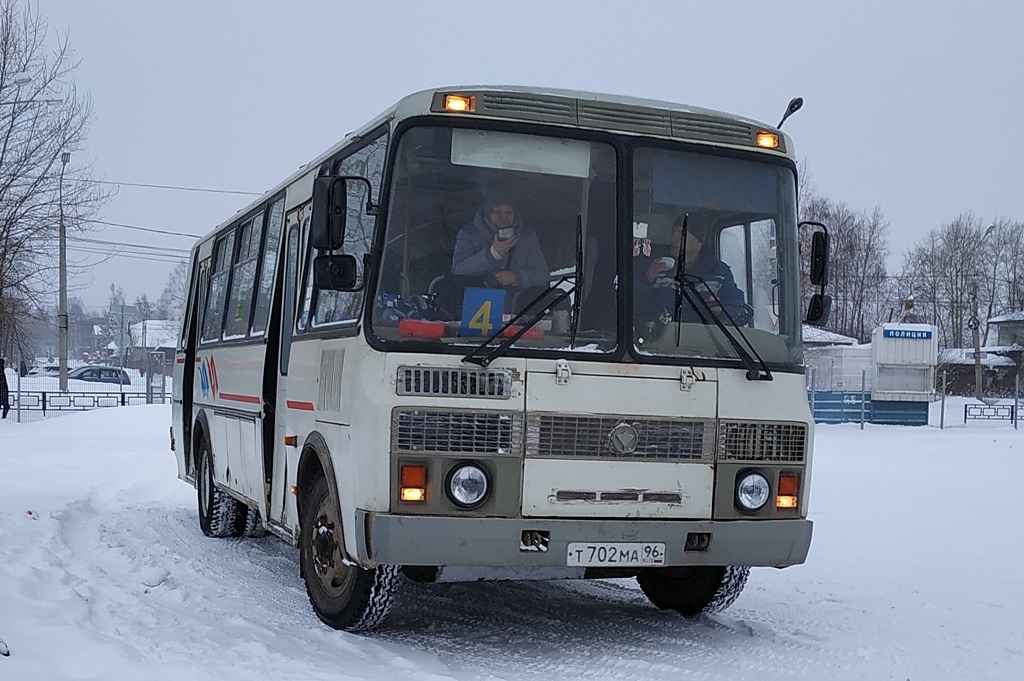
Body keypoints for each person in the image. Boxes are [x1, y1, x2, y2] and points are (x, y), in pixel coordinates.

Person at [635, 215, 744, 324]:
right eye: (673, 233)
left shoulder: (719, 273)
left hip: (701, 339)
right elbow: (628, 308)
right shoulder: (653, 266)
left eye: (681, 234)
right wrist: (646, 280)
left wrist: (720, 311)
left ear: (699, 241)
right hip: (656, 338)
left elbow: (740, 311)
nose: (673, 239)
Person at [451, 191, 550, 310]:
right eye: (497, 211)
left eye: (509, 212)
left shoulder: (527, 236)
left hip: (517, 315)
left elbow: (543, 275)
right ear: (488, 212)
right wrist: (493, 254)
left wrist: (516, 277)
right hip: (475, 309)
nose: (504, 217)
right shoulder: (468, 234)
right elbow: (458, 271)